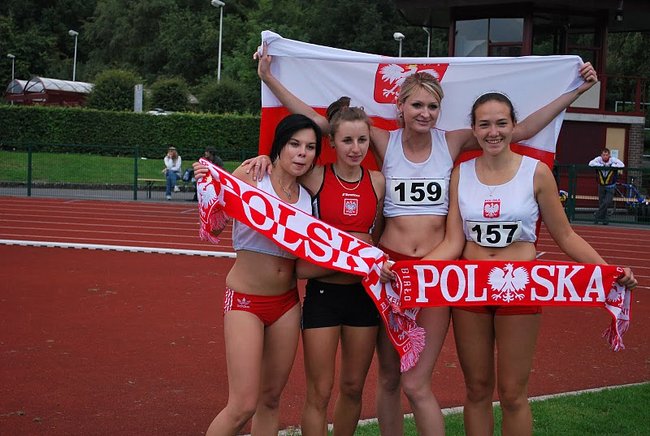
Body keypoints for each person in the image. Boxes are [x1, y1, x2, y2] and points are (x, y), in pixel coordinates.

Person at [251, 42, 598, 435]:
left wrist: (575, 91)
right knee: (388, 377)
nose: (425, 113)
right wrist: (270, 79)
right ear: (400, 107)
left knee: (417, 383)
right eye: (417, 105)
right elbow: (323, 125)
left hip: (435, 272)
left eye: (433, 106)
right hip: (391, 268)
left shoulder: (452, 141)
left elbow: (521, 130)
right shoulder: (382, 140)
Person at [392, 92, 637, 435]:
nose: (493, 132)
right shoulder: (461, 173)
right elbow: (453, 242)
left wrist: (608, 270)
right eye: (484, 125)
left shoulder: (536, 173)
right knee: (477, 388)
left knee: (512, 393)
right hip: (471, 288)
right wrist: (409, 273)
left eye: (501, 124)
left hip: (519, 285)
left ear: (513, 126)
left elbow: (566, 236)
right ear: (474, 129)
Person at [200, 114, 322, 436]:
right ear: (279, 144)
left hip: (286, 304)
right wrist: (207, 188)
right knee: (242, 405)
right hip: (245, 301)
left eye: (310, 147)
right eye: (294, 144)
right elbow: (216, 226)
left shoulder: (309, 196)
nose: (302, 153)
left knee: (270, 399)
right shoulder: (252, 175)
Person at [589, 148, 625, 224]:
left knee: (607, 202)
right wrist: (601, 165)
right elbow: (590, 163)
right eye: (604, 155)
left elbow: (622, 165)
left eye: (607, 155)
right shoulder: (598, 159)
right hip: (601, 185)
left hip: (611, 186)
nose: (605, 156)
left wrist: (612, 165)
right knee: (601, 203)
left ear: (609, 155)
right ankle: (604, 220)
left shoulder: (613, 160)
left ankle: (597, 215)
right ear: (601, 155)